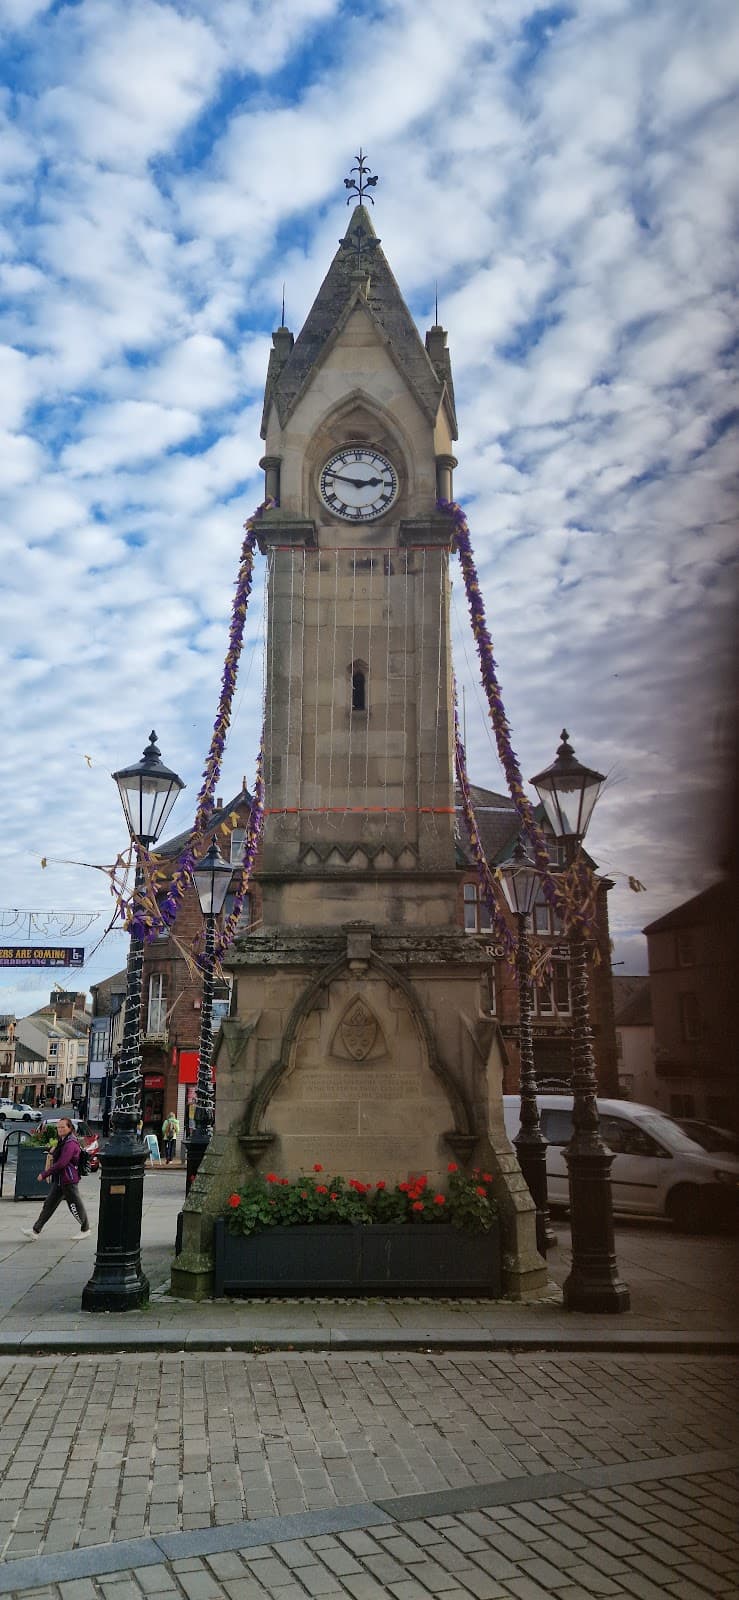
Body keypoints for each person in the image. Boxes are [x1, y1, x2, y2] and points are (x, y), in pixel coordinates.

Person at [21, 1118, 90, 1241]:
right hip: (60, 1180)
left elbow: (62, 1163)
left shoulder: (70, 1143)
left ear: (70, 1128)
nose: (60, 1129)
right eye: (58, 1127)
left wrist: (45, 1174)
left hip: (68, 1179)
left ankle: (85, 1229)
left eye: (63, 1127)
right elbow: (57, 1153)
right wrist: (50, 1149)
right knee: (49, 1204)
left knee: (74, 1205)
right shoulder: (63, 1141)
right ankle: (35, 1230)